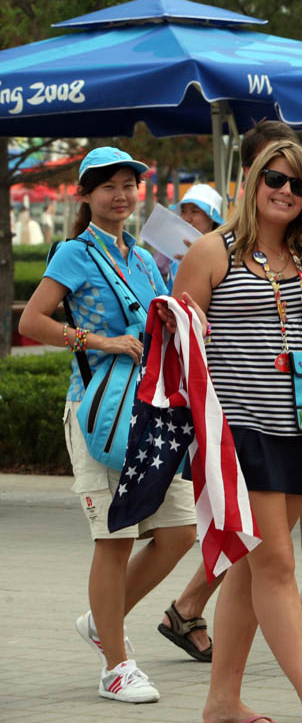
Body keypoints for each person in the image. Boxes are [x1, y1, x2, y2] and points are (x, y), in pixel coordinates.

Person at [173, 139, 302, 723]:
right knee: (277, 566)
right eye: (275, 180)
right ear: (254, 182)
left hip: (299, 426)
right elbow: (181, 346)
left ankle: (221, 701)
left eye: (298, 185)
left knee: (250, 568)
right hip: (239, 431)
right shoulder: (213, 251)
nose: (285, 191)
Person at [19, 147, 200, 703]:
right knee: (114, 538)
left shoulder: (145, 258)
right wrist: (97, 342)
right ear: (86, 195)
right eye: (109, 187)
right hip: (99, 413)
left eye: (129, 186)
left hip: (149, 411)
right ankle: (116, 667)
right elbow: (32, 320)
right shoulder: (75, 253)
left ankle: (104, 619)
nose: (122, 195)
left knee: (179, 532)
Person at [164, 184, 225, 290]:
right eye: (183, 211)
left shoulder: (224, 253)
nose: (187, 218)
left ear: (211, 218)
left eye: (194, 211)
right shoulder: (178, 254)